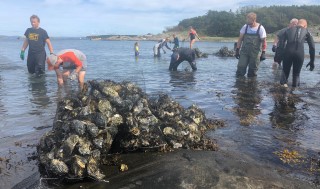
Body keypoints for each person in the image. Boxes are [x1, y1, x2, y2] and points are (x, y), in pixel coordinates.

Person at [279, 19, 315, 88]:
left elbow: (281, 44)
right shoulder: (307, 31)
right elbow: (312, 47)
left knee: (285, 72)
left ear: (298, 23)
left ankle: (282, 92)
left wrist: (280, 56)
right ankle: (294, 92)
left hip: (287, 53)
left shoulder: (288, 30)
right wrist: (312, 61)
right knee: (296, 74)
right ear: (305, 25)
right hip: (299, 54)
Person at [235, 12, 267, 77]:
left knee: (252, 70)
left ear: (254, 20)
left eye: (249, 20)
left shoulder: (260, 28)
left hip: (255, 53)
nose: (247, 21)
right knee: (240, 68)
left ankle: (252, 85)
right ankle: (239, 85)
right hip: (244, 52)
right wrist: (237, 50)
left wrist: (263, 52)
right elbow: (240, 39)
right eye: (247, 19)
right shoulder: (245, 27)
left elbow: (264, 41)